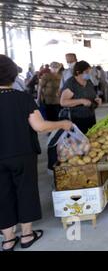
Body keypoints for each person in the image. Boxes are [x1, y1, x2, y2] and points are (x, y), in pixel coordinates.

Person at [0, 55, 72, 251]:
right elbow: (39, 127)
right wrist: (62, 124)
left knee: (2, 195)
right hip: (22, 153)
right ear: (13, 75)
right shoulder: (22, 98)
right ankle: (26, 236)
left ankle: (7, 240)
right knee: (25, 191)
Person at [60, 61, 102, 134]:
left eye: (89, 72)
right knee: (81, 142)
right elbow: (63, 102)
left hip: (91, 116)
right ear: (78, 72)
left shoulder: (88, 82)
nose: (89, 74)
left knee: (92, 137)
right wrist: (81, 101)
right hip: (77, 119)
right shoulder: (71, 84)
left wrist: (97, 100)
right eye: (86, 72)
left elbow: (92, 95)